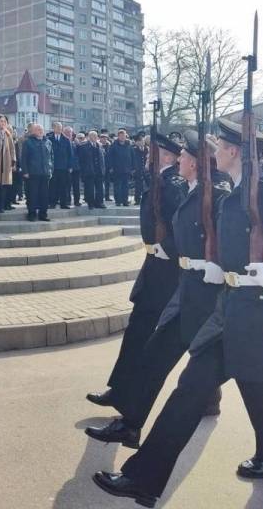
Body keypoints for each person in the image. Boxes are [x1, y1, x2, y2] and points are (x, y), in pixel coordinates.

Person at [93, 117, 263, 509]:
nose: (213, 152)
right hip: (232, 313)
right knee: (190, 390)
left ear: (233, 152)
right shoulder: (234, 193)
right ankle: (141, 479)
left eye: (219, 147)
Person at [85, 130, 229, 446]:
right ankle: (131, 423)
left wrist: (189, 255)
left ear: (196, 161)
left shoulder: (214, 193)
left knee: (254, 379)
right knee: (157, 356)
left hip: (193, 286)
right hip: (183, 283)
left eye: (185, 155)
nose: (179, 158)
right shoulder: (192, 188)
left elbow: (214, 234)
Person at [87, 133, 187, 411]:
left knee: (176, 335)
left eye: (151, 153)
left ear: (166, 156)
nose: (145, 156)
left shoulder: (174, 184)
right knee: (138, 331)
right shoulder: (161, 181)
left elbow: (185, 221)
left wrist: (168, 247)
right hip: (155, 267)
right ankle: (120, 390)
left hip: (169, 270)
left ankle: (207, 397)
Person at [21, 124, 53, 221]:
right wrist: (25, 171)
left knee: (44, 195)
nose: (40, 131)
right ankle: (32, 214)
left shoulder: (48, 142)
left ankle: (43, 214)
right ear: (33, 131)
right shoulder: (28, 142)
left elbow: (51, 158)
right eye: (38, 129)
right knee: (33, 195)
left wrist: (51, 169)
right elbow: (24, 158)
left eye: (41, 129)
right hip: (33, 173)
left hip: (45, 173)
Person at [78, 130, 106, 209]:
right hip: (89, 170)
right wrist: (83, 170)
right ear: (89, 137)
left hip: (98, 170)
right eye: (93, 136)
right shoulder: (83, 146)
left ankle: (99, 202)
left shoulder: (99, 145)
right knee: (90, 188)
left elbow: (102, 158)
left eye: (96, 136)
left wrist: (103, 169)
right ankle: (91, 203)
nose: (95, 138)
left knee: (99, 188)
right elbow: (81, 160)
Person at [47, 122, 72, 209]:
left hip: (63, 167)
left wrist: (69, 166)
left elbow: (70, 154)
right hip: (53, 167)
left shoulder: (66, 140)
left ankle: (63, 203)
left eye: (60, 127)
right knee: (52, 186)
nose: (59, 129)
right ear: (53, 128)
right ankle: (52, 203)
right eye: (57, 127)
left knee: (63, 186)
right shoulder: (49, 139)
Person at [108, 128, 134, 206]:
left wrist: (133, 168)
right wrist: (111, 167)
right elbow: (110, 157)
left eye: (124, 136)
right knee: (117, 186)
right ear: (118, 136)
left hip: (126, 169)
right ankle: (118, 201)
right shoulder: (113, 145)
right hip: (117, 169)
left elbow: (132, 157)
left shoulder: (129, 145)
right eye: (121, 136)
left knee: (125, 187)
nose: (123, 137)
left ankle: (125, 201)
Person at [65, 126, 82, 207]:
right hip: (66, 168)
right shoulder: (62, 142)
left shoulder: (76, 143)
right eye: (66, 133)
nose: (68, 134)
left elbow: (80, 154)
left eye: (70, 133)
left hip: (76, 168)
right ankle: (67, 200)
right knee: (67, 185)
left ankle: (77, 201)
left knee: (76, 186)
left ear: (72, 134)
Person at [132, 132, 147, 205]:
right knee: (138, 185)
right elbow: (132, 160)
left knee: (145, 186)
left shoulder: (147, 149)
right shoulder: (134, 149)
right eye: (141, 141)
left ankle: (145, 199)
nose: (142, 142)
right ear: (137, 142)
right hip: (137, 170)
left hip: (146, 170)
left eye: (143, 141)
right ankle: (137, 199)